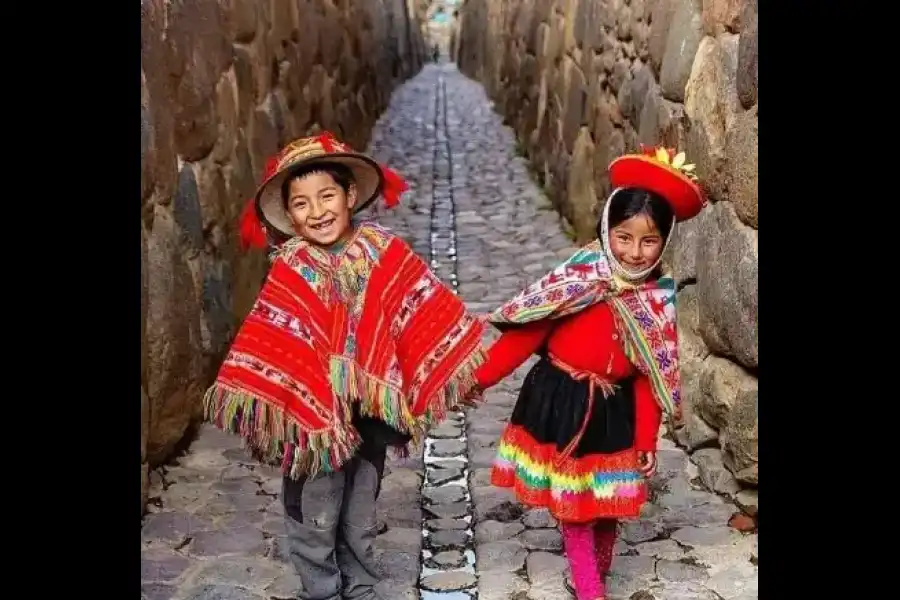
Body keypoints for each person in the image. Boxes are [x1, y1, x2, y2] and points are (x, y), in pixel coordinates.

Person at [206, 132, 486, 600]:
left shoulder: (382, 250)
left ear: (350, 195)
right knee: (314, 507)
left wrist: (460, 356)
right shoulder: (292, 268)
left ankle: (361, 584)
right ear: (289, 215)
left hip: (368, 418)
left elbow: (420, 306)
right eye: (301, 203)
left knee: (360, 504)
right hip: (313, 424)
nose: (316, 212)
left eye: (327, 196)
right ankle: (321, 587)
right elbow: (272, 337)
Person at [470, 146, 706, 600]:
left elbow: (645, 376)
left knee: (610, 501)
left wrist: (644, 441)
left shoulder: (656, 301)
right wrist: (474, 380)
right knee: (577, 507)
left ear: (666, 241)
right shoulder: (577, 280)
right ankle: (589, 586)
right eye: (623, 237)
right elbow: (523, 337)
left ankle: (596, 569)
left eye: (649, 241)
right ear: (605, 230)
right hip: (563, 402)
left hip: (613, 411)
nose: (635, 252)